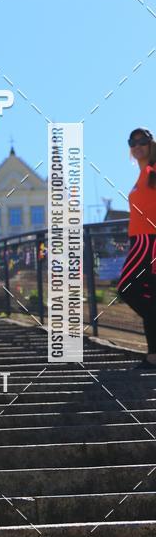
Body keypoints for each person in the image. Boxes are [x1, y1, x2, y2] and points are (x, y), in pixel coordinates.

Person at [117, 128, 156, 370]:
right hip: (140, 240)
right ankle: (153, 356)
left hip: (148, 240)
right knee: (151, 296)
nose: (137, 145)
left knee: (127, 288)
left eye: (143, 141)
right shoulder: (143, 175)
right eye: (133, 142)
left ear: (152, 144)